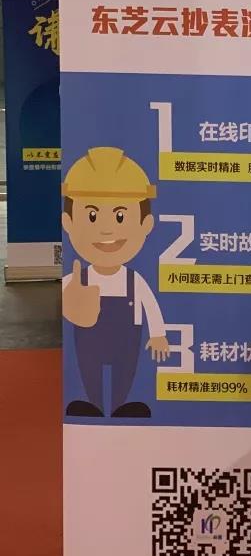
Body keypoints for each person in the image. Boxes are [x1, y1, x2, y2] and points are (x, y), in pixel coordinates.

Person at [61, 147, 170, 417]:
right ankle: (93, 405)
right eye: (92, 216)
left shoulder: (134, 280)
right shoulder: (76, 278)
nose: (106, 229)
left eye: (121, 216)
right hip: (89, 338)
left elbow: (150, 305)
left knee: (126, 370)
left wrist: (158, 334)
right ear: (68, 222)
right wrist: (70, 304)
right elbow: (65, 305)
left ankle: (122, 404)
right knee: (89, 369)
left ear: (146, 224)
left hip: (126, 338)